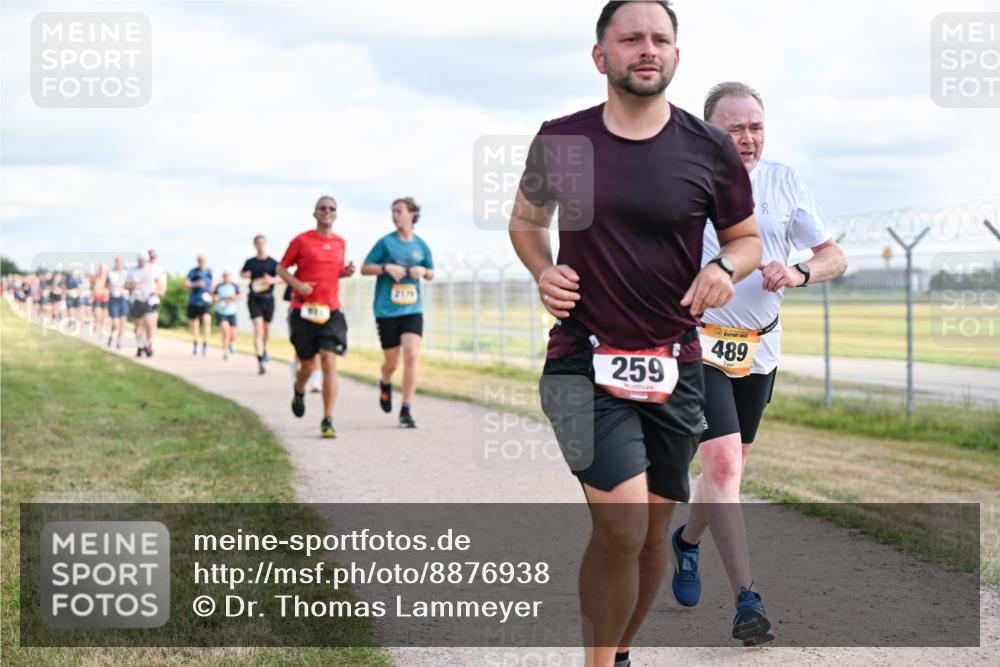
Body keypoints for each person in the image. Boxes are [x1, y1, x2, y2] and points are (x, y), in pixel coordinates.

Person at [508, 3, 762, 665]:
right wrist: (543, 269)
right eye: (631, 39)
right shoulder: (563, 141)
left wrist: (723, 268)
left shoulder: (708, 148)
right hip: (582, 360)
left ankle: (617, 652)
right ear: (602, 56)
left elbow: (746, 238)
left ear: (675, 55)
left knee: (651, 537)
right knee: (621, 526)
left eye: (660, 39)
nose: (647, 49)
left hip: (675, 364)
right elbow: (527, 221)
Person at [669, 82, 848, 644]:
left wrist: (797, 272)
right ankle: (747, 599)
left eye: (755, 127)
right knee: (723, 466)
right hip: (700, 345)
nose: (747, 138)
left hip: (759, 347)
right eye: (734, 129)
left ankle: (687, 543)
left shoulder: (784, 181)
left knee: (728, 469)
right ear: (709, 134)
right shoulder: (683, 185)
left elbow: (833, 255)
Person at [276, 195, 356, 439]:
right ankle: (299, 389)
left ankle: (327, 419)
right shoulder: (302, 241)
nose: (327, 211)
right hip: (304, 310)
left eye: (332, 208)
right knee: (308, 365)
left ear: (336, 214)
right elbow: (281, 268)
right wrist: (298, 285)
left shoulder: (340, 242)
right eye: (322, 208)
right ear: (315, 213)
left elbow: (330, 272)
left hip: (331, 310)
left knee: (329, 359)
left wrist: (344, 272)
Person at [361, 197, 435, 428]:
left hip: (413, 309)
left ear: (412, 214)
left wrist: (422, 271)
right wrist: (386, 268)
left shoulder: (421, 245)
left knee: (411, 354)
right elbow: (365, 268)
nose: (394, 215)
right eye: (392, 211)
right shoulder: (385, 243)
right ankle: (385, 381)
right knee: (391, 363)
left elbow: (431, 272)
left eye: (398, 211)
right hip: (387, 310)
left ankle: (406, 410)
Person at [241, 235, 280, 375]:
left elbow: (283, 278)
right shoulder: (250, 262)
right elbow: (242, 273)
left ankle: (263, 348)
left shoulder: (273, 263)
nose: (260, 245)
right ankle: (260, 362)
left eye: (262, 243)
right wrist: (245, 275)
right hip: (254, 299)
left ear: (265, 244)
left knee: (266, 330)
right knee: (258, 329)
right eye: (258, 243)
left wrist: (272, 280)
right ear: (254, 245)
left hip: (268, 299)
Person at [184, 255, 214, 356]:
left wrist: (213, 293)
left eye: (203, 260)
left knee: (207, 321)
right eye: (200, 260)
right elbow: (185, 284)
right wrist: (196, 284)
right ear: (197, 261)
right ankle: (195, 344)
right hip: (194, 301)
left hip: (206, 302)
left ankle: (205, 344)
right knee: (194, 324)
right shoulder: (193, 272)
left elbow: (213, 284)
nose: (202, 261)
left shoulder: (210, 271)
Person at [213, 270, 241, 360]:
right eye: (225, 276)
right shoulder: (219, 286)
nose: (226, 278)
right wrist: (216, 298)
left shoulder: (234, 286)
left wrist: (234, 297)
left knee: (233, 333)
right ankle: (225, 353)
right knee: (226, 332)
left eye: (228, 276)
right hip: (221, 312)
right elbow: (213, 296)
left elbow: (240, 296)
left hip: (232, 312)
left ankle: (232, 343)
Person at [107, 257, 129, 349]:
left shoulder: (127, 273)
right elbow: (106, 285)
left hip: (123, 299)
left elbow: (130, 285)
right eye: (118, 262)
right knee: (115, 322)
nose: (119, 264)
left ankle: (119, 341)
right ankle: (111, 336)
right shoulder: (111, 274)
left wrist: (127, 290)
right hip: (113, 299)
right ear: (115, 263)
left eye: (121, 262)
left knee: (123, 321)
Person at [91, 263, 110, 335]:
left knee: (103, 317)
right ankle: (96, 322)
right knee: (98, 315)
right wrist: (91, 296)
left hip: (105, 299)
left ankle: (101, 330)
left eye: (104, 269)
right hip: (97, 299)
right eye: (101, 268)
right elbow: (92, 288)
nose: (102, 270)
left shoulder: (108, 278)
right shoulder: (95, 277)